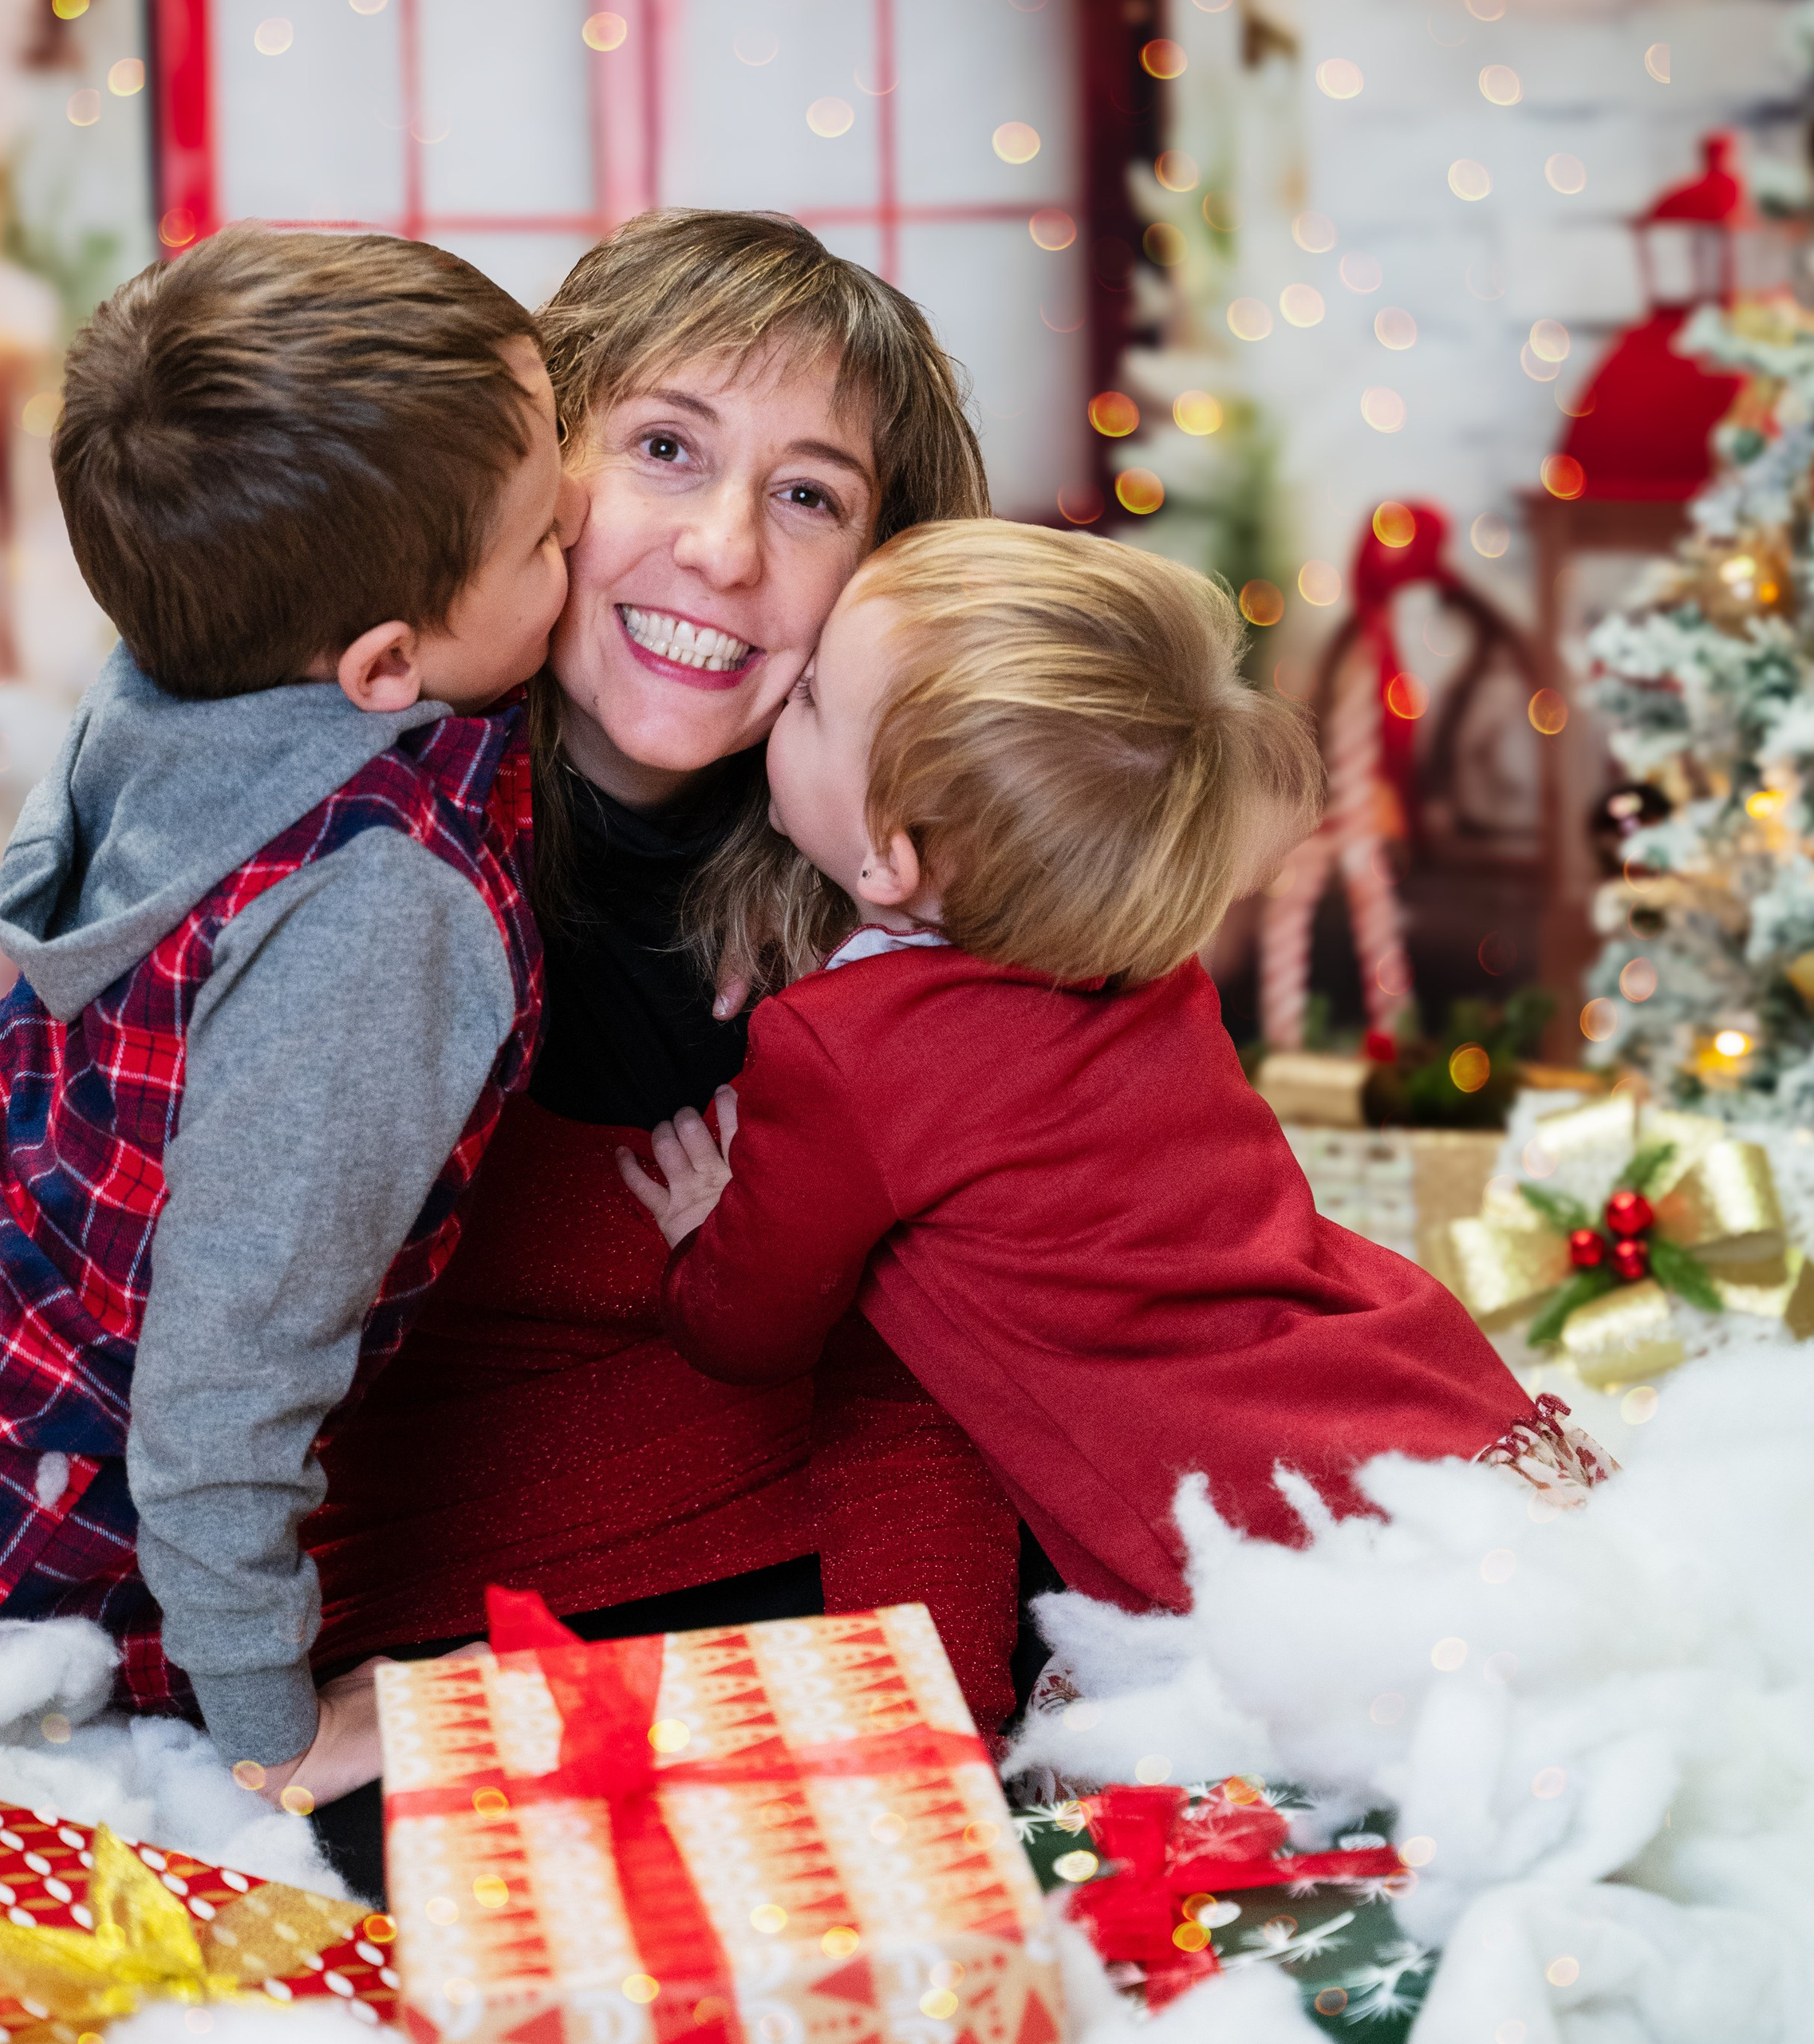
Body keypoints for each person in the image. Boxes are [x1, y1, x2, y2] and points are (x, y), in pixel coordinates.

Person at [0, 223, 582, 1828]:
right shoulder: (373, 916)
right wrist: (268, 1721)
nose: (586, 516)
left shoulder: (176, 678)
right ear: (383, 663)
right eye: (543, 532)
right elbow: (227, 1373)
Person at [300, 215, 1027, 1864]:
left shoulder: (895, 891)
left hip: (795, 1566)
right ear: (529, 471)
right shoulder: (346, 836)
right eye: (662, 447)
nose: (717, 550)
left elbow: (926, 1396)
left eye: (807, 494)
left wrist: (935, 1776)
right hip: (392, 1602)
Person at [623, 521, 1556, 1609]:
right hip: (1398, 1379)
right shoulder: (1147, 953)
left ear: (892, 856)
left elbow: (749, 1332)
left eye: (816, 699)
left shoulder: (847, 1051)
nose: (788, 695)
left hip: (1242, 1521)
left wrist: (706, 1231)